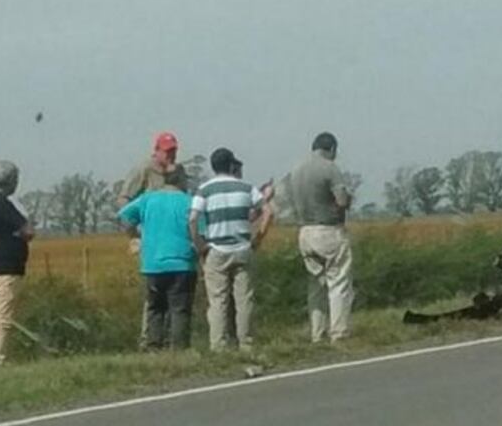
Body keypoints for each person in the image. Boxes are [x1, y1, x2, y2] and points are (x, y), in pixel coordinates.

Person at [189, 148, 272, 352]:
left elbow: (192, 219)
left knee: (218, 301)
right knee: (244, 299)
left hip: (216, 249)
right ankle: (246, 343)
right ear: (232, 165)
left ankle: (219, 345)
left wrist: (200, 245)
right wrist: (258, 238)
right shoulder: (246, 187)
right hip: (242, 248)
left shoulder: (204, 190)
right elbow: (268, 211)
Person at [118, 165, 198, 349]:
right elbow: (198, 228)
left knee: (155, 308)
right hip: (182, 261)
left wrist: (135, 237)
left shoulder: (147, 199)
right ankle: (179, 348)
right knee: (179, 309)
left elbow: (124, 216)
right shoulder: (189, 201)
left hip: (153, 263)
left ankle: (153, 346)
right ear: (181, 180)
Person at [287, 132, 354, 343]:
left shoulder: (296, 169)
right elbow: (341, 201)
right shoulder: (329, 168)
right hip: (328, 229)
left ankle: (317, 333)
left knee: (315, 285)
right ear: (332, 148)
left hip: (305, 231)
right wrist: (349, 199)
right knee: (338, 281)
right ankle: (339, 333)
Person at [0, 161, 35, 366]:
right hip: (6, 268)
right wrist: (20, 234)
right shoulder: (1, 204)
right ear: (11, 180)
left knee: (3, 314)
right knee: (2, 317)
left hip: (1, 266)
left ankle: (1, 357)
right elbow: (28, 230)